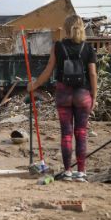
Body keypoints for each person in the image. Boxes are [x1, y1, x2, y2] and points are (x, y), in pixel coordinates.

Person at [28, 14, 98, 182]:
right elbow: (93, 74)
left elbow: (48, 70)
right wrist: (93, 96)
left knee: (66, 134)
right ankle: (81, 173)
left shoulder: (58, 46)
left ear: (66, 29)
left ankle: (67, 171)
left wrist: (34, 85)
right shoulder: (88, 49)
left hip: (64, 94)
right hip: (83, 94)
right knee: (81, 133)